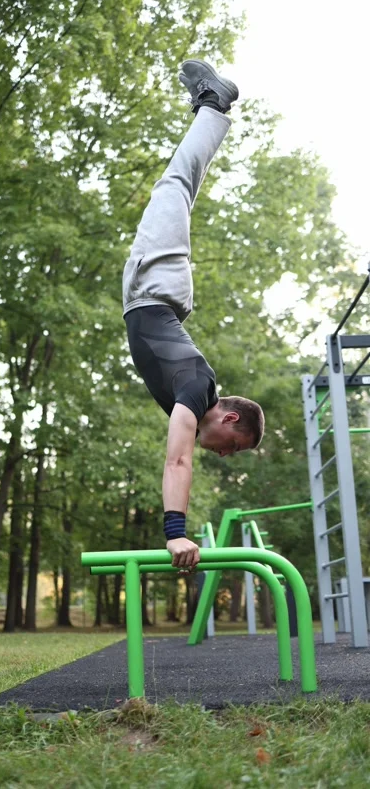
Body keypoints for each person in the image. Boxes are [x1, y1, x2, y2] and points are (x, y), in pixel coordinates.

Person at [122, 59, 265, 571]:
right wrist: (175, 533)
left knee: (179, 189)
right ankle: (214, 103)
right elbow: (177, 459)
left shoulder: (193, 396)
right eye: (234, 446)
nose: (224, 455)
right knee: (176, 185)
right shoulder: (195, 391)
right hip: (154, 286)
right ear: (230, 417)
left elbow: (181, 455)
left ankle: (209, 107)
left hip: (156, 291)